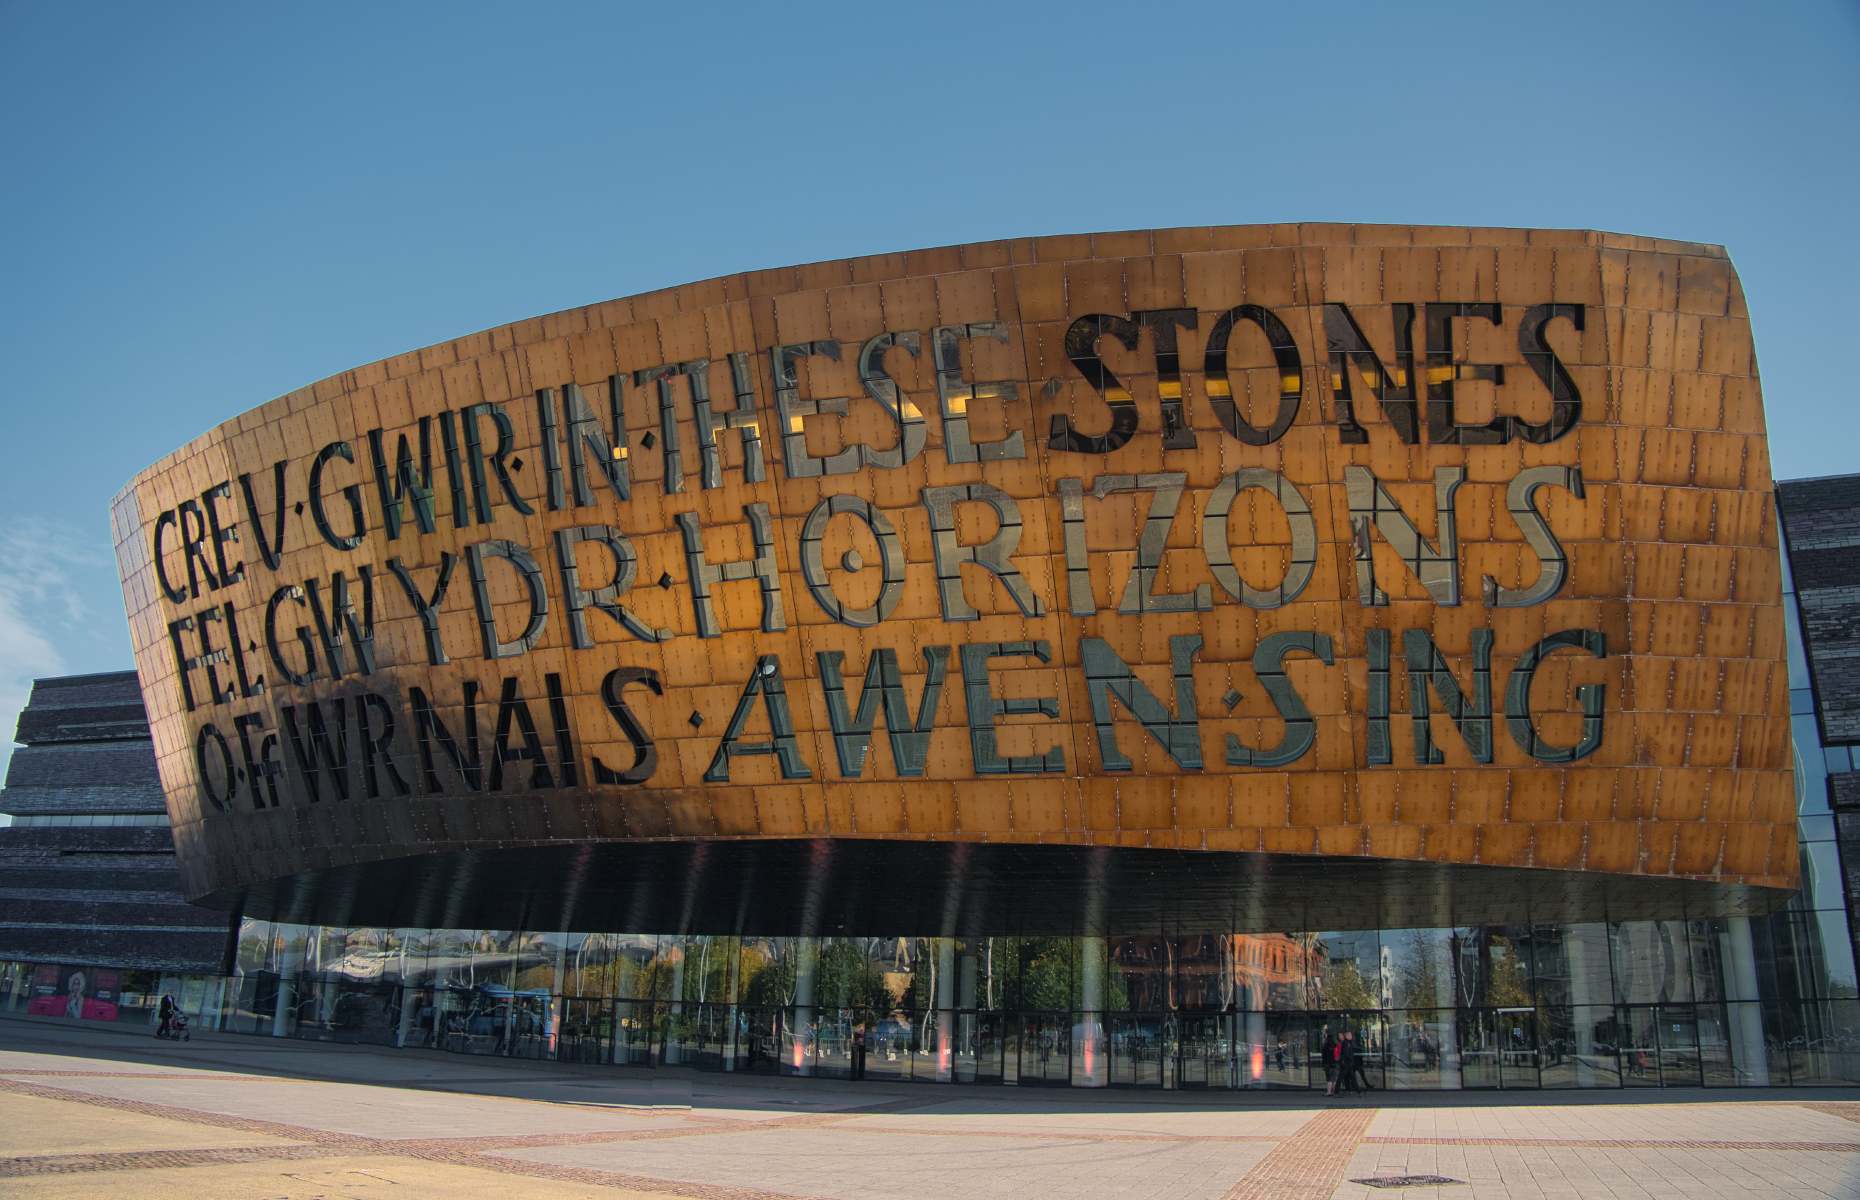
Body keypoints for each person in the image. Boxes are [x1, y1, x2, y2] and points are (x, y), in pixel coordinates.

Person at [1320, 1025, 1338, 1096]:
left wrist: (1323, 1064)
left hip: (1328, 1064)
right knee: (1334, 1078)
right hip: (1335, 1063)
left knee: (1329, 1079)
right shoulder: (1335, 1044)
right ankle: (1334, 1091)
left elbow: (1323, 1056)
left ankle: (1329, 1092)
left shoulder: (1325, 1045)